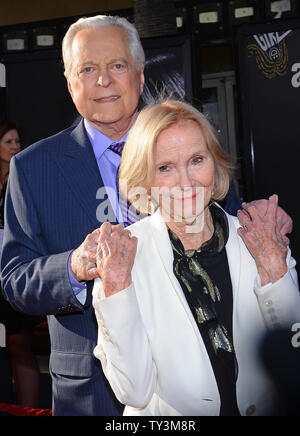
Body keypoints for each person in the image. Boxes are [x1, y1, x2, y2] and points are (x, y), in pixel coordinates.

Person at [0, 15, 293, 416]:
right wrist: (76, 266)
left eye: (117, 65)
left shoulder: (188, 139)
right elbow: (15, 280)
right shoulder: (32, 168)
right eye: (88, 69)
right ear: (70, 82)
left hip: (215, 378)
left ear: (140, 75)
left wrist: (263, 227)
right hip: (93, 390)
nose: (103, 80)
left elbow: (225, 224)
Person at [92, 100, 300, 416]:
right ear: (144, 180)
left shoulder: (258, 236)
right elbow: (133, 390)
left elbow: (292, 355)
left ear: (215, 164)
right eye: (165, 168)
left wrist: (274, 266)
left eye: (196, 160)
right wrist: (117, 287)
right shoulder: (122, 259)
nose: (185, 183)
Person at [0, 121, 43, 408]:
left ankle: (29, 410)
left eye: (18, 141)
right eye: (9, 142)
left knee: (18, 344)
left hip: (15, 267)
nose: (16, 147)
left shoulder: (24, 177)